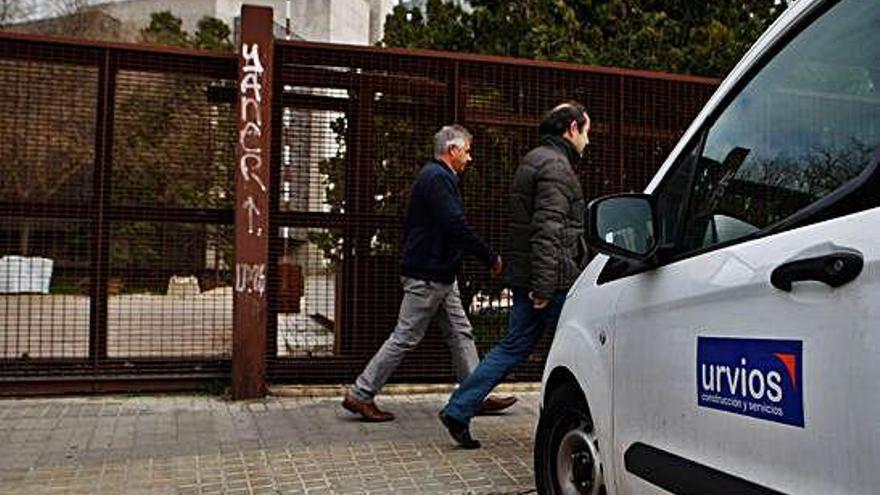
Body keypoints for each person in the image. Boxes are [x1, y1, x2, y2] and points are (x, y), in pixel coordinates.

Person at [439, 102, 591, 448]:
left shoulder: (534, 160)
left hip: (530, 276)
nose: (588, 140)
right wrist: (543, 287)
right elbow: (547, 231)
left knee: (512, 347)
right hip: (553, 280)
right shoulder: (556, 168)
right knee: (573, 355)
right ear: (571, 129)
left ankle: (459, 409)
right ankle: (565, 429)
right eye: (586, 131)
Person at [342, 124, 517, 422]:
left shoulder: (437, 177)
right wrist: (489, 255)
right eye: (467, 151)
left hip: (439, 273)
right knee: (405, 336)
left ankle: (473, 396)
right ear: (452, 150)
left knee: (461, 333)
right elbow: (454, 224)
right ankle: (360, 394)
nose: (469, 158)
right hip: (428, 274)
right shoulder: (437, 179)